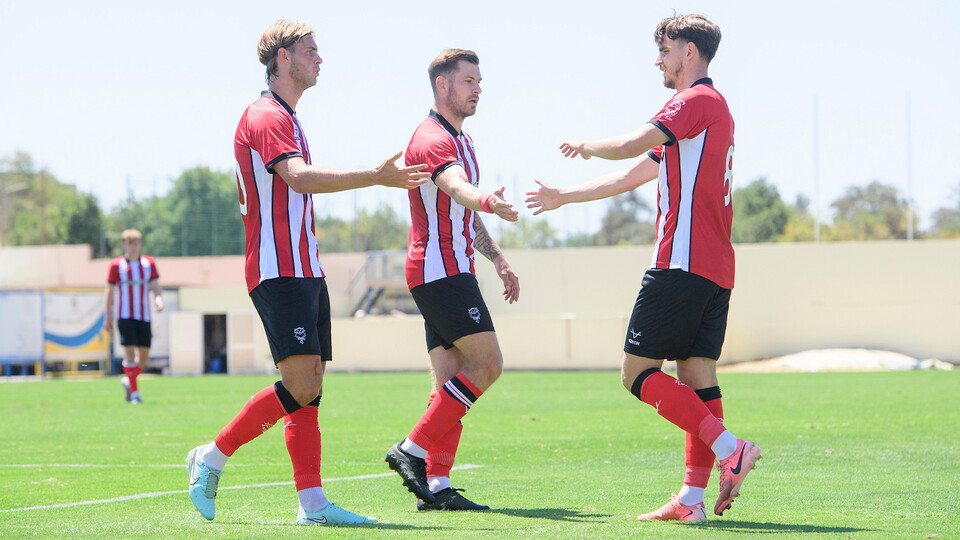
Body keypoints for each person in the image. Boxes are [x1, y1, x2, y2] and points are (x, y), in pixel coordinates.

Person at [185, 19, 429, 527]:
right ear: (282, 58)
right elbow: (297, 179)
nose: (320, 59)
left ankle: (313, 505)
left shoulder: (288, 118)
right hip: (278, 270)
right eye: (310, 51)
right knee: (298, 383)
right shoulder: (265, 114)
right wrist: (374, 177)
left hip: (303, 269)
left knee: (310, 385)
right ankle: (212, 455)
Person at [526, 14, 760, 522]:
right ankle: (693, 501)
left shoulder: (696, 101)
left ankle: (729, 449)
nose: (659, 59)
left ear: (690, 53)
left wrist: (585, 144)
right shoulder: (708, 115)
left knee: (636, 374)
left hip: (681, 262)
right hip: (714, 268)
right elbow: (634, 173)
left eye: (667, 49)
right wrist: (564, 196)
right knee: (697, 378)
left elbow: (633, 144)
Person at [384, 49, 520, 512]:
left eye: (479, 80)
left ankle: (437, 488)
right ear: (443, 86)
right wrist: (486, 199)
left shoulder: (463, 139)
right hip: (440, 272)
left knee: (451, 386)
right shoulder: (431, 138)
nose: (478, 88)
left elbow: (463, 207)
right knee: (488, 366)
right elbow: (456, 188)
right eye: (468, 81)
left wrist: (498, 258)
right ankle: (411, 450)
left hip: (445, 270)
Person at [104, 228, 163, 404]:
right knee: (129, 353)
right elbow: (110, 292)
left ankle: (128, 379)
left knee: (143, 358)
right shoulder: (117, 266)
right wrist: (108, 317)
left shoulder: (148, 264)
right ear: (124, 244)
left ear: (140, 244)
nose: (133, 246)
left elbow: (155, 285)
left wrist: (158, 299)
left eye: (136, 242)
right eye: (129, 243)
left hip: (144, 316)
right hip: (125, 316)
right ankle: (135, 394)